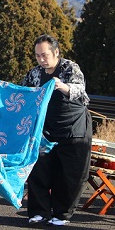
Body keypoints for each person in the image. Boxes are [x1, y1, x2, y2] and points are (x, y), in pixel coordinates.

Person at [21, 34, 92, 227]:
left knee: (69, 175)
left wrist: (62, 86)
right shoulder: (34, 74)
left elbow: (81, 91)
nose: (41, 60)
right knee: (39, 171)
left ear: (56, 53)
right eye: (37, 56)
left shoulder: (70, 68)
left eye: (45, 55)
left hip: (73, 128)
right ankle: (39, 212)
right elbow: (23, 95)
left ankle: (62, 214)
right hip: (45, 130)